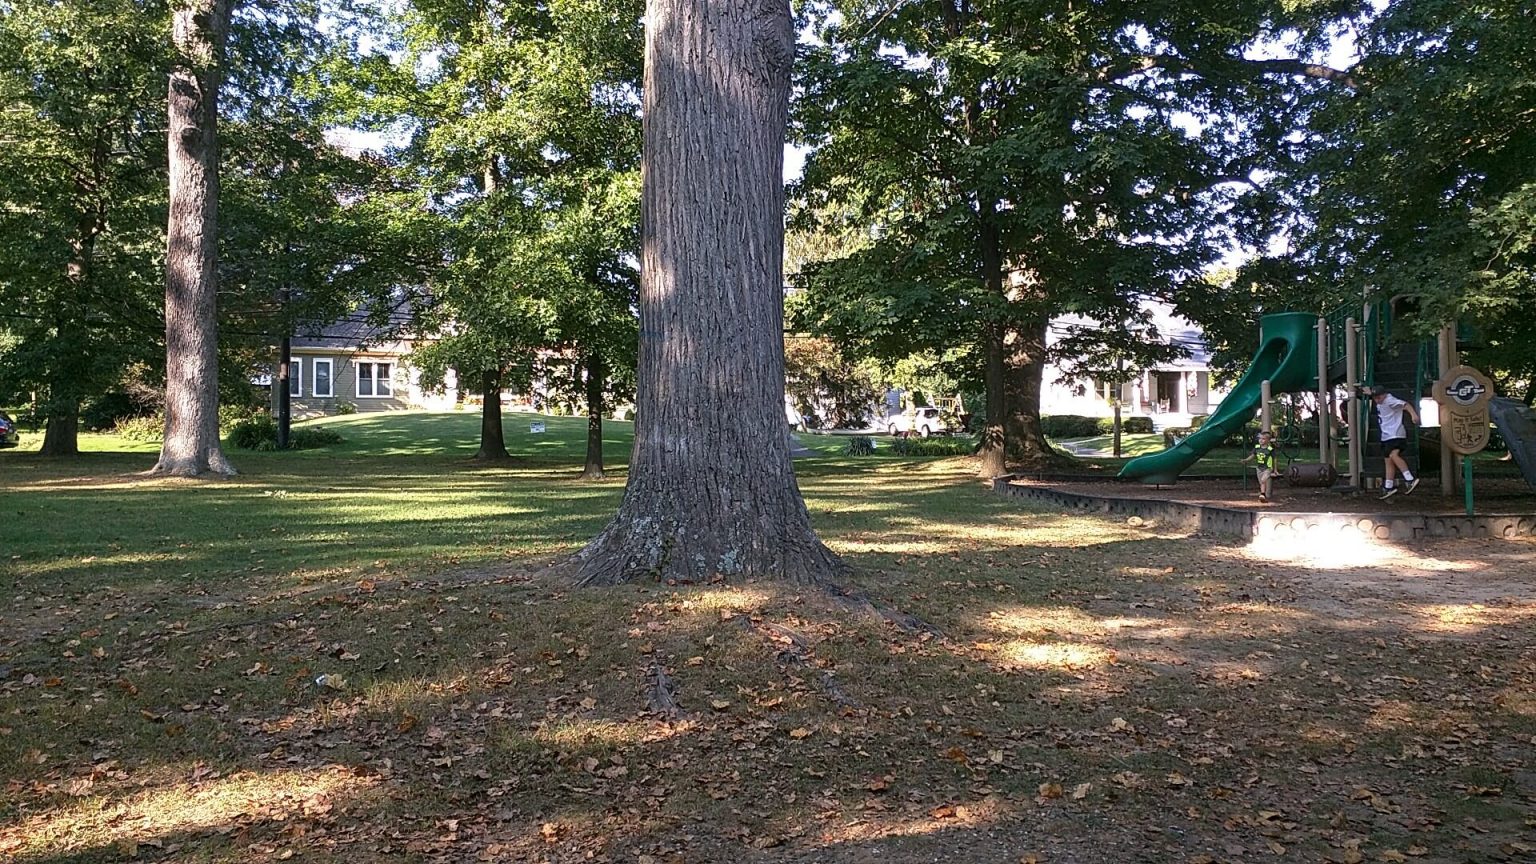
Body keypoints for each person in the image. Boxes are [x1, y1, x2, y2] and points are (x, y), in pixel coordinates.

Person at [1366, 385, 1420, 498]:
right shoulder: (1380, 399)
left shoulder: (1390, 400)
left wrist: (1413, 415)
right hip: (1386, 436)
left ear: (1384, 395)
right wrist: (1366, 390)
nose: (1377, 400)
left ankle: (1409, 479)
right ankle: (1388, 486)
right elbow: (1372, 393)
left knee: (1393, 455)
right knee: (1388, 460)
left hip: (1395, 434)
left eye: (1379, 398)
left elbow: (1406, 405)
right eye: (1375, 398)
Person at [1242, 429, 1278, 504]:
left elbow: (1274, 459)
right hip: (1259, 468)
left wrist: (1275, 469)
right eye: (1260, 438)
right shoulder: (1257, 447)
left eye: (1263, 439)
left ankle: (1262, 494)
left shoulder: (1270, 449)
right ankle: (1263, 496)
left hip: (1268, 468)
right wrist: (1246, 460)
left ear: (1268, 440)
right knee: (1261, 482)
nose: (1261, 440)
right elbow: (1252, 455)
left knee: (1263, 480)